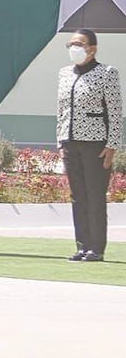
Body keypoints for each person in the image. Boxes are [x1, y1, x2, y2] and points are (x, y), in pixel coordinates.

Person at [56, 28, 121, 262]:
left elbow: (115, 112)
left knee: (95, 195)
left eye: (79, 44)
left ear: (92, 48)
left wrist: (112, 144)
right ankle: (82, 245)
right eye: (71, 44)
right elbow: (61, 110)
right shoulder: (65, 73)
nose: (74, 48)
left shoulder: (107, 73)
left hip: (96, 144)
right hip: (70, 142)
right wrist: (60, 140)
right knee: (78, 195)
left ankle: (96, 248)